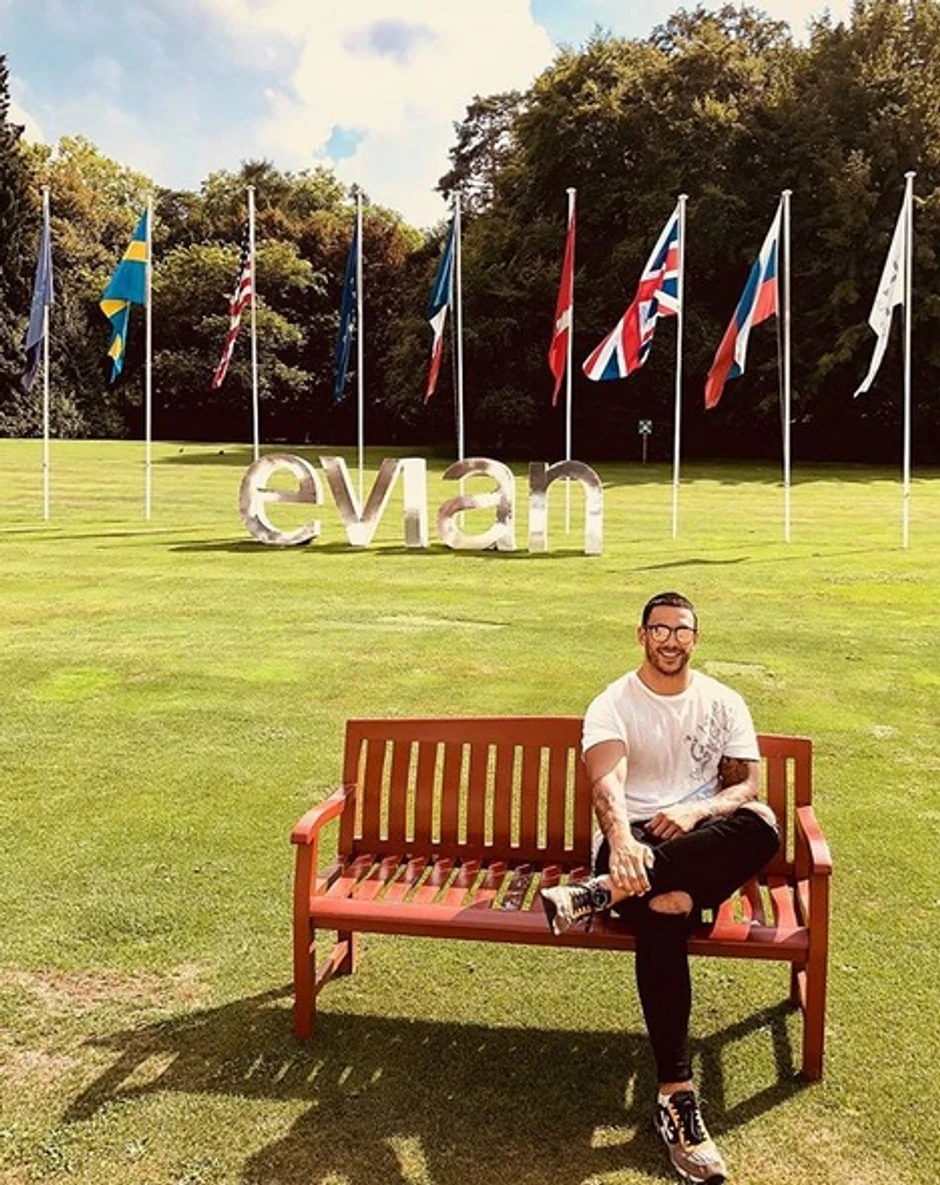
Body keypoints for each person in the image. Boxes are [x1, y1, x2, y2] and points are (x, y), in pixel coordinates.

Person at [540, 591, 779, 1185]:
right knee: (669, 904)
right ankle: (677, 1097)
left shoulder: (723, 700)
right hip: (632, 841)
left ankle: (599, 894)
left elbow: (746, 786)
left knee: (762, 824)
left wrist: (697, 811)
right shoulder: (613, 702)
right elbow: (607, 784)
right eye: (660, 629)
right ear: (641, 634)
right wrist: (623, 845)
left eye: (682, 630)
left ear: (695, 638)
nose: (671, 640)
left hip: (700, 836)